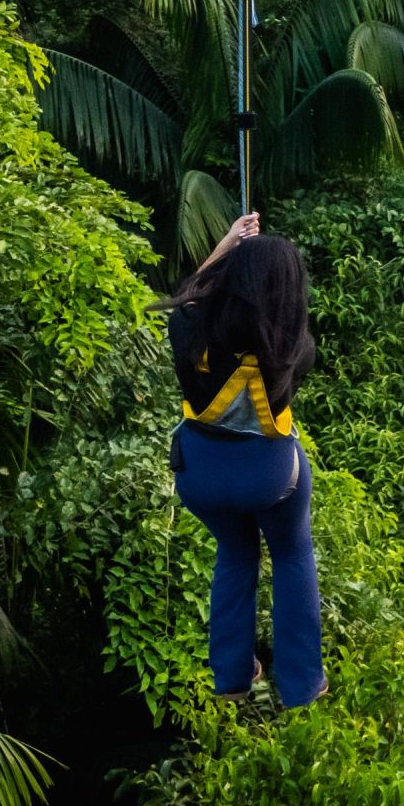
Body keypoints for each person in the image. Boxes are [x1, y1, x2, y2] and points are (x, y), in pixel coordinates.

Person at [161, 212, 325, 708]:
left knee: (235, 554)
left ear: (229, 280)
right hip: (268, 478)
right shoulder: (296, 351)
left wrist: (226, 246)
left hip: (201, 477)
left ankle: (231, 681)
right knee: (293, 553)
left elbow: (188, 295)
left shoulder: (190, 334)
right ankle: (300, 686)